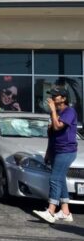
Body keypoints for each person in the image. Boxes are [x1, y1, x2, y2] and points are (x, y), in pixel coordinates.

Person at [33, 88, 78, 224]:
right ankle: (65, 212)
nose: (52, 98)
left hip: (67, 151)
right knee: (60, 179)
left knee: (54, 178)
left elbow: (58, 127)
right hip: (56, 150)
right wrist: (48, 152)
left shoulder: (69, 111)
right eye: (51, 95)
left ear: (63, 98)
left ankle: (51, 211)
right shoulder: (56, 112)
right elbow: (51, 134)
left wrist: (52, 110)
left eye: (55, 96)